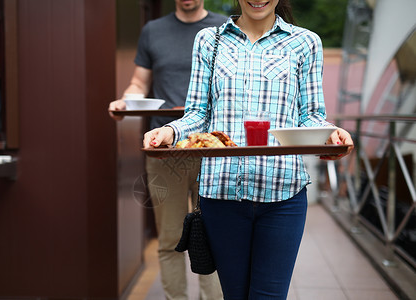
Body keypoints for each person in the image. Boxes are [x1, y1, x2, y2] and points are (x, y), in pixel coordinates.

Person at [142, 0, 354, 299]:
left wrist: (331, 133)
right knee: (235, 294)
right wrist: (169, 131)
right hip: (222, 194)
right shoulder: (209, 40)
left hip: (283, 195)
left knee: (268, 295)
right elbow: (198, 114)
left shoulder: (305, 42)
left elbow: (311, 115)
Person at [108, 1, 226, 299]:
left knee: (214, 236)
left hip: (210, 150)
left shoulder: (224, 28)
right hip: (164, 150)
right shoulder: (153, 31)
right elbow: (139, 82)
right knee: (169, 238)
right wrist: (126, 100)